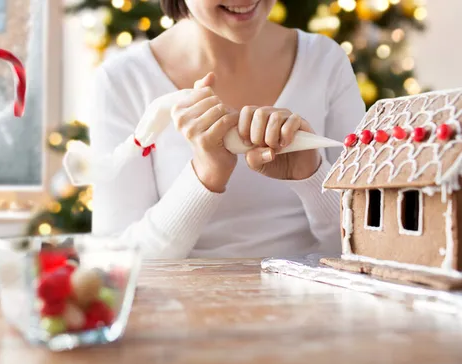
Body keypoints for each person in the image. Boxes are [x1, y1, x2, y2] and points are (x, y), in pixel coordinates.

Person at [83, 0, 366, 259]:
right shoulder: (123, 81)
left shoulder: (325, 61)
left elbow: (372, 243)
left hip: (315, 305)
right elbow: (117, 261)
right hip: (182, 308)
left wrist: (312, 176)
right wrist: (205, 174)